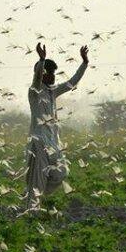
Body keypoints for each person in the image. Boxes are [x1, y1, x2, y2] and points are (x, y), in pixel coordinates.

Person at [24, 42, 89, 212]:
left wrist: (84, 63)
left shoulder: (53, 92)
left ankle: (32, 196)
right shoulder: (34, 92)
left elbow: (72, 82)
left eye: (53, 74)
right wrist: (41, 60)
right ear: (42, 74)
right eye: (48, 73)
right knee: (37, 180)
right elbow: (37, 79)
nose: (52, 77)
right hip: (39, 144)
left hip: (53, 144)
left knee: (61, 173)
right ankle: (32, 210)